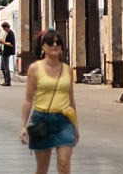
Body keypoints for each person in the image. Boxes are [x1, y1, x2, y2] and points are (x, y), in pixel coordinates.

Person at [19, 29, 78, 174]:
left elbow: (71, 99)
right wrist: (23, 126)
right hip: (42, 120)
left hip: (64, 121)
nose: (55, 45)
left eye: (58, 42)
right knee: (42, 169)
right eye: (50, 42)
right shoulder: (35, 69)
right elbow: (28, 99)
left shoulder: (67, 70)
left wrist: (76, 127)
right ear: (43, 46)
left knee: (64, 165)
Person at [0, 21, 16, 86]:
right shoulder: (6, 33)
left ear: (6, 27)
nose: (3, 29)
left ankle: (8, 81)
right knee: (2, 67)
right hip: (3, 51)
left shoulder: (10, 33)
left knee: (6, 67)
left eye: (4, 28)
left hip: (7, 52)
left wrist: (3, 42)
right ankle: (5, 80)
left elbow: (11, 44)